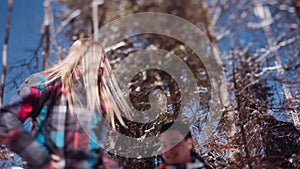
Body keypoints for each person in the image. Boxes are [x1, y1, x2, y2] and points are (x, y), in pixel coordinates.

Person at [0, 39, 131, 169]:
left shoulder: (98, 105)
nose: (102, 66)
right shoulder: (46, 83)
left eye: (104, 62)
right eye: (99, 59)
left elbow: (94, 154)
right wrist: (41, 160)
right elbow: (6, 121)